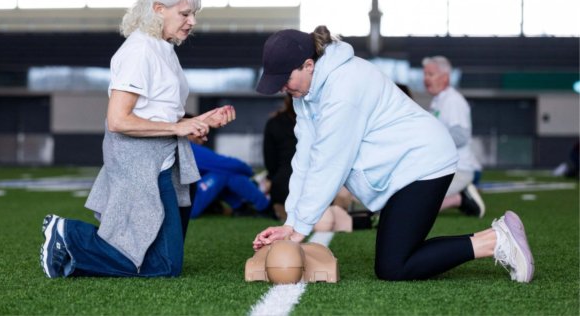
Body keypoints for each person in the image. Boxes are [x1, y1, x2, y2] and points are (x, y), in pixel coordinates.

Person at [252, 26, 534, 283]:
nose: (281, 87)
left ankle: (497, 239)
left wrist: (301, 227)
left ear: (309, 65)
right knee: (395, 258)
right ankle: (496, 237)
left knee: (394, 266)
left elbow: (329, 161)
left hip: (424, 163)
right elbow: (305, 157)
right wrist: (290, 222)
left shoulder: (344, 85)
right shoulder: (308, 95)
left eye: (285, 78)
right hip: (403, 171)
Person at [39, 0, 236, 279]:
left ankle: (67, 256)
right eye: (185, 13)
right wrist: (177, 127)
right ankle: (68, 234)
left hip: (165, 158)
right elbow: (117, 120)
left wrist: (196, 122)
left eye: (193, 14)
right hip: (140, 164)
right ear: (159, 8)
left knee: (164, 259)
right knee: (164, 265)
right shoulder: (139, 51)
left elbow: (157, 110)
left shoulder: (164, 48)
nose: (192, 22)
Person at [422, 56, 485, 218]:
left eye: (431, 74)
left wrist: (430, 144)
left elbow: (461, 136)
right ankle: (460, 196)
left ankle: (460, 198)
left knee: (420, 206)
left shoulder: (453, 101)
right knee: (416, 200)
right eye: (425, 74)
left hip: (459, 169)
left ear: (445, 77)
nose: (425, 78)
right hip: (444, 167)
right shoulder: (438, 101)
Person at [189, 140, 271, 218]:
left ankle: (241, 207)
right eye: (199, 129)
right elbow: (229, 164)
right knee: (223, 173)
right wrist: (251, 172)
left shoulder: (182, 147)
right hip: (187, 208)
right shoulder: (188, 148)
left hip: (183, 204)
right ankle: (265, 206)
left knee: (221, 173)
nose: (203, 135)